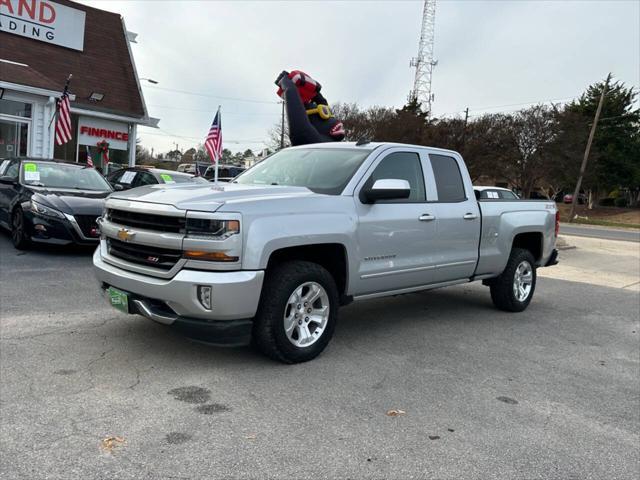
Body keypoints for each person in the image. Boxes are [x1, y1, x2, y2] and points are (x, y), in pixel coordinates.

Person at [275, 70, 345, 146]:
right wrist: (289, 88)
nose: (334, 119)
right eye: (323, 114)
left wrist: (312, 91)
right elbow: (300, 127)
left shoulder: (334, 144)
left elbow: (323, 103)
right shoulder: (313, 142)